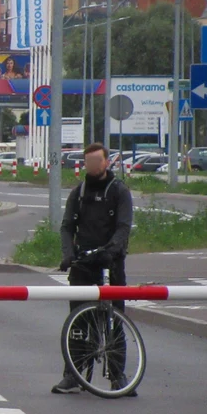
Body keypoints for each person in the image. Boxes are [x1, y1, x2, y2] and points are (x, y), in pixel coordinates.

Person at [53, 142, 133, 395]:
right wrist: (68, 255)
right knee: (78, 320)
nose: (93, 166)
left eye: (97, 161)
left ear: (106, 162)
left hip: (110, 262)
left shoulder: (118, 191)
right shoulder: (79, 192)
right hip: (83, 263)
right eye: (89, 162)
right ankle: (73, 374)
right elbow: (67, 226)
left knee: (114, 320)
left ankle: (117, 375)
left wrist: (113, 249)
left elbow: (123, 225)